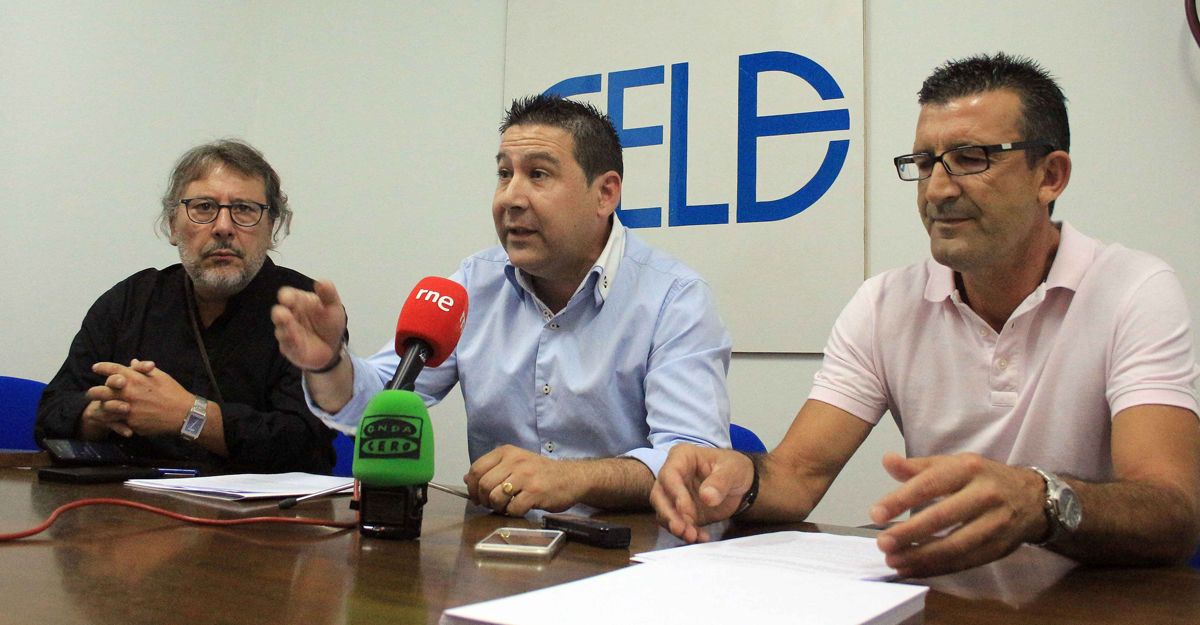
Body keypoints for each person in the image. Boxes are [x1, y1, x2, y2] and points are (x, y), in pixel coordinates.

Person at [651, 52, 1200, 577]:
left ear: (1050, 176)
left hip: (1095, 604)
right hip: (935, 597)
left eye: (971, 158)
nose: (936, 189)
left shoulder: (1133, 290)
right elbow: (796, 475)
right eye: (924, 162)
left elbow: (1173, 512)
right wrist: (739, 477)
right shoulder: (885, 303)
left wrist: (1042, 500)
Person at [273, 94, 731, 515]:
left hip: (628, 558)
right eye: (504, 174)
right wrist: (329, 364)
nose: (511, 197)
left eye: (538, 174)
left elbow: (693, 460)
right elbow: (382, 404)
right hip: (494, 552)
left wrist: (573, 478)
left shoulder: (674, 298)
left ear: (605, 194)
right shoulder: (473, 284)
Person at [36, 140, 335, 473]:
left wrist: (188, 416)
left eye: (244, 210)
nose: (223, 227)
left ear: (273, 228)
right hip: (131, 510)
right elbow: (49, 414)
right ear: (171, 225)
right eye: (204, 207)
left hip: (263, 518)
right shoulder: (129, 302)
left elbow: (304, 441)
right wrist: (99, 414)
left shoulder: (306, 308)